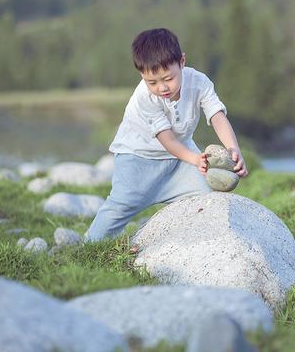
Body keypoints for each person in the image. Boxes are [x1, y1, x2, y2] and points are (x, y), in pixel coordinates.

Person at [84, 27, 248, 242]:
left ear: (182, 62)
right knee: (120, 206)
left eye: (168, 79)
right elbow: (166, 139)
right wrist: (194, 159)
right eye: (152, 82)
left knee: (206, 195)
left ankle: (192, 242)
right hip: (138, 158)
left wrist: (232, 149)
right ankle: (88, 244)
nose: (162, 87)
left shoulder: (199, 82)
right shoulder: (144, 97)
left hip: (180, 159)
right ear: (142, 75)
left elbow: (217, 116)